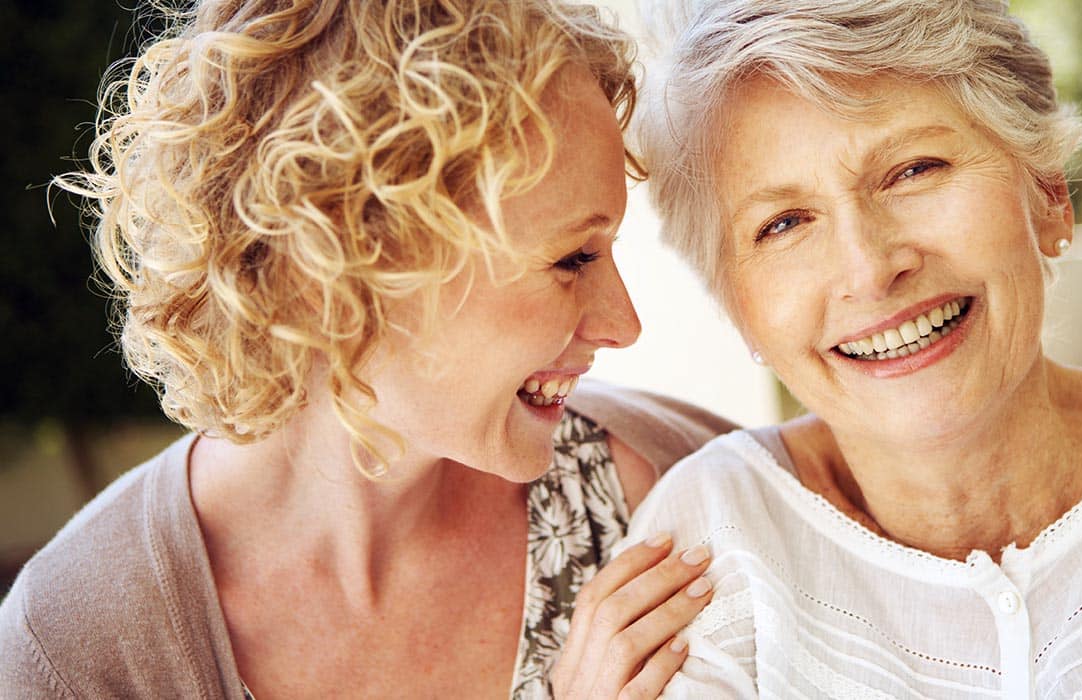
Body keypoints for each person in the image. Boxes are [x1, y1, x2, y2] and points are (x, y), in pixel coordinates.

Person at [0, 1, 738, 697]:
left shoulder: (688, 497)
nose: (623, 323)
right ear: (343, 270)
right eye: (572, 259)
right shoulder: (76, 653)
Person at [624, 0, 1082, 696]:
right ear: (735, 307)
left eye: (912, 170)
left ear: (1047, 193)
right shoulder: (709, 538)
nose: (868, 268)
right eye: (782, 224)